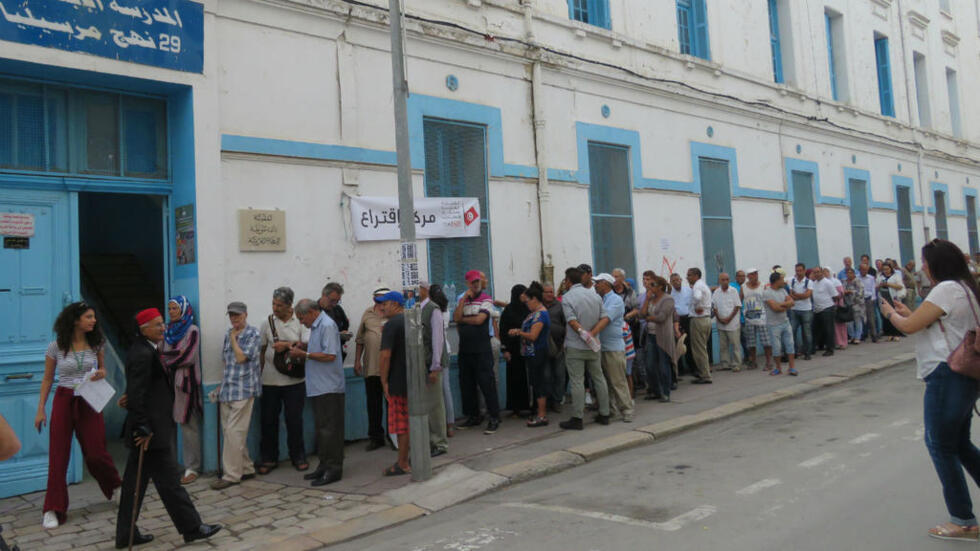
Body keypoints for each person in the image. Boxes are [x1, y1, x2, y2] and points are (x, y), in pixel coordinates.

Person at [879, 239, 980, 542]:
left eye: (925, 261)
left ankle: (963, 520)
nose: (922, 266)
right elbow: (932, 323)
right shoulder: (966, 288)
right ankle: (963, 516)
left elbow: (908, 327)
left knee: (939, 444)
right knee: (959, 443)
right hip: (965, 373)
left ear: (937, 263)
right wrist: (909, 311)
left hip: (945, 373)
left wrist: (889, 313)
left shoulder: (945, 289)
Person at [116, 308, 220, 548]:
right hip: (150, 432)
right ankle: (192, 528)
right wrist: (142, 426)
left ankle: (126, 534)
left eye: (163, 324)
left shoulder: (147, 349)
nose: (163, 328)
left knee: (135, 485)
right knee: (169, 483)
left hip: (150, 428)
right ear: (144, 329)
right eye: (157, 325)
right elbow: (138, 392)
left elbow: (136, 390)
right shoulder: (143, 353)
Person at [35, 302, 121, 529]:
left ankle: (115, 486)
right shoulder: (56, 347)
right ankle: (53, 508)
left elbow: (102, 371)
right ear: (75, 320)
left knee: (95, 452)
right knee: (58, 456)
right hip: (64, 399)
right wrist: (41, 408)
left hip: (89, 400)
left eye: (94, 317)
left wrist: (101, 373)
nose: (93, 321)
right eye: (89, 317)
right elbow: (47, 378)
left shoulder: (97, 343)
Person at [291, 298, 345, 486]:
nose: (301, 322)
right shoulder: (316, 327)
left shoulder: (327, 325)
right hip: (317, 386)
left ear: (312, 312)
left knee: (330, 430)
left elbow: (330, 355)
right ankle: (324, 465)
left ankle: (334, 468)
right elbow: (320, 349)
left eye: (301, 317)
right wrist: (305, 347)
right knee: (322, 430)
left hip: (329, 386)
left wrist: (304, 355)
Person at [257, 287, 309, 473]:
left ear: (289, 306)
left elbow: (306, 344)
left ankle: (298, 456)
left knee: (294, 420)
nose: (275, 308)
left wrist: (285, 345)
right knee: (268, 421)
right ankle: (269, 458)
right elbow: (262, 350)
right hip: (270, 381)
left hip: (295, 381)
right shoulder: (267, 322)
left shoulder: (300, 322)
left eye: (279, 305)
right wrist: (259, 376)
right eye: (273, 303)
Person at [210, 302, 261, 490]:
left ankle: (231, 475)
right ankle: (246, 468)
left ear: (245, 315)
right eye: (231, 316)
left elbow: (241, 358)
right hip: (228, 389)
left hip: (245, 389)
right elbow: (226, 361)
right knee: (230, 433)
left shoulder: (252, 334)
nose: (234, 319)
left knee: (234, 432)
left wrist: (234, 339)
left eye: (237, 316)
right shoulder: (227, 333)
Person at [559, 266, 611, 430]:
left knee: (577, 381)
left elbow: (572, 321)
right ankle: (604, 413)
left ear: (568, 281)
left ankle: (577, 417)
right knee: (599, 378)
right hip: (594, 344)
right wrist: (592, 335)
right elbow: (604, 318)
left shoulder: (567, 298)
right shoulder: (594, 296)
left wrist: (583, 334)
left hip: (576, 345)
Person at [159, 296, 204, 485]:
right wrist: (170, 357)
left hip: (186, 385)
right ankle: (171, 465)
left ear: (184, 310)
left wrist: (168, 358)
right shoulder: (167, 331)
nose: (171, 312)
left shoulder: (192, 330)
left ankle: (192, 466)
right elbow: (159, 354)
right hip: (168, 384)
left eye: (175, 309)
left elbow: (188, 357)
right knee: (168, 425)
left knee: (188, 425)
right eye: (169, 309)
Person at [454, 269, 501, 434]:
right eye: (473, 282)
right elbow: (456, 317)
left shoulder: (486, 299)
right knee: (467, 384)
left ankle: (494, 417)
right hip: (465, 349)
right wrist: (462, 303)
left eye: (477, 282)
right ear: (467, 283)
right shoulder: (462, 299)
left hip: (481, 349)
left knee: (486, 383)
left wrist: (464, 320)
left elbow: (480, 319)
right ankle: (473, 416)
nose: (476, 285)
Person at [509, 282, 551, 427]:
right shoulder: (534, 313)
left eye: (528, 301)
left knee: (539, 383)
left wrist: (518, 332)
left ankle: (541, 415)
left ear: (535, 299)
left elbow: (533, 336)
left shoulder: (540, 315)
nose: (526, 304)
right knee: (535, 382)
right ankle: (539, 413)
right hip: (531, 354)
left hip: (537, 352)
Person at [378, 291, 411, 475]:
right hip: (413, 380)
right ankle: (410, 458)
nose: (382, 308)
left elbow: (385, 355)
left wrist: (383, 380)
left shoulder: (392, 325)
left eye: (385, 304)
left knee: (401, 424)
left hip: (397, 381)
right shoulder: (411, 321)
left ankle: (403, 463)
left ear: (395, 304)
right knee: (412, 421)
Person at [354, 287, 390, 451]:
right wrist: (357, 361)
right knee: (373, 404)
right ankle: (376, 437)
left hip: (390, 368)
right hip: (371, 367)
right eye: (377, 300)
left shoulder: (395, 314)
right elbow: (360, 339)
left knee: (391, 403)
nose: (380, 305)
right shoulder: (367, 314)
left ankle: (394, 436)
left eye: (383, 301)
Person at [595, 273, 634, 423]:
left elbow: (604, 319)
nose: (596, 285)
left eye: (598, 282)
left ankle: (627, 409)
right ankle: (611, 409)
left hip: (613, 348)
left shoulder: (615, 300)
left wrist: (591, 333)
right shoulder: (601, 299)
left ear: (606, 283)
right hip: (602, 347)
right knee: (607, 382)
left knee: (618, 381)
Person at [420, 284, 450, 457]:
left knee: (434, 406)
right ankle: (430, 441)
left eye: (418, 288)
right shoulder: (417, 309)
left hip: (431, 365)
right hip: (422, 365)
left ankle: (439, 442)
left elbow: (437, 340)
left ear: (425, 290)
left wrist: (435, 367)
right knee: (426, 406)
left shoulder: (433, 310)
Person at [641, 275, 675, 402]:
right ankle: (656, 391)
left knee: (663, 365)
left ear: (660, 286)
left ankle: (666, 392)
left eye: (653, 285)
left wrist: (649, 318)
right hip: (650, 335)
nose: (650, 287)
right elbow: (642, 314)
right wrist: (646, 300)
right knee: (649, 365)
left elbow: (661, 317)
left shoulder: (668, 299)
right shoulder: (651, 299)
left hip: (663, 336)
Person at [500, 284, 531, 415]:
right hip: (512, 349)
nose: (525, 296)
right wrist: (505, 350)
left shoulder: (528, 308)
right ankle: (515, 407)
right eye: (523, 293)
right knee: (514, 377)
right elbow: (502, 331)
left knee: (527, 377)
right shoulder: (508, 310)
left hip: (527, 348)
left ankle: (527, 405)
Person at [764, 272, 798, 376]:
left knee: (790, 344)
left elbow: (792, 302)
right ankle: (778, 368)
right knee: (776, 347)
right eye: (782, 279)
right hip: (773, 324)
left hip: (785, 321)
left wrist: (781, 304)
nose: (784, 281)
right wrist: (785, 305)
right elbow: (775, 309)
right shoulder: (767, 293)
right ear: (776, 281)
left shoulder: (783, 290)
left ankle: (792, 367)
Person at [741, 268, 772, 370]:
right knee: (751, 342)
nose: (755, 276)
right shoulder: (743, 287)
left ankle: (768, 362)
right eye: (752, 274)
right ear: (748, 276)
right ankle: (753, 361)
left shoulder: (763, 286)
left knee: (766, 341)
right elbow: (739, 299)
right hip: (749, 318)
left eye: (756, 274)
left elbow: (768, 300)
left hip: (762, 317)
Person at [543, 283, 567, 413]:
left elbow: (567, 324)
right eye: (546, 292)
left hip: (559, 346)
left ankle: (557, 401)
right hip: (543, 347)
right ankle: (548, 401)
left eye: (551, 292)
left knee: (559, 375)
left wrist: (565, 343)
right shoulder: (539, 307)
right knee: (546, 375)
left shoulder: (560, 306)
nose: (549, 294)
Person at [686, 268, 713, 384]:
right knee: (702, 348)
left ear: (696, 276)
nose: (687, 278)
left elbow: (697, 297)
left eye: (689, 275)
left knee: (699, 349)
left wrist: (697, 306)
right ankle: (704, 372)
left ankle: (705, 375)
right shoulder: (703, 285)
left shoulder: (697, 286)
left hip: (699, 319)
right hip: (706, 318)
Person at [711, 272, 742, 372]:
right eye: (723, 280)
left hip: (733, 323)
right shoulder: (716, 292)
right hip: (721, 324)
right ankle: (725, 364)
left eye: (727, 279)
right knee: (723, 346)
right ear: (719, 281)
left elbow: (737, 306)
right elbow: (714, 307)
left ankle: (736, 364)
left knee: (735, 345)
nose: (725, 282)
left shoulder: (733, 291)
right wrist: (719, 319)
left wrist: (729, 318)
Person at [319, 282, 352, 359]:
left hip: (336, 353)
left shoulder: (338, 309)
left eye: (337, 301)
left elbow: (345, 325)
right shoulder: (313, 311)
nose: (334, 304)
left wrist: (344, 335)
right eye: (332, 300)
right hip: (319, 355)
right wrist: (336, 335)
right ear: (323, 295)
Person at [669, 273, 694, 375]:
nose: (676, 282)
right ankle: (680, 369)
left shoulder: (689, 290)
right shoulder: (670, 294)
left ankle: (692, 367)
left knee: (690, 344)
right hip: (677, 321)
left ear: (681, 280)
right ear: (671, 282)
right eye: (673, 281)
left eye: (677, 280)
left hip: (688, 319)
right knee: (678, 345)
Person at [788, 263, 813, 360]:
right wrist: (800, 296)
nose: (798, 272)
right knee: (792, 331)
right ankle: (794, 351)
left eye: (800, 270)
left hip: (806, 309)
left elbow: (807, 295)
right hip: (794, 309)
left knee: (806, 332)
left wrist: (796, 295)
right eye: (797, 270)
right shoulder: (791, 281)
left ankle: (807, 352)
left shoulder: (809, 282)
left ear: (804, 270)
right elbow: (790, 294)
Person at [811, 268, 838, 356]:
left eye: (818, 272)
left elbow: (835, 296)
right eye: (815, 273)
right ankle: (818, 346)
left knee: (828, 329)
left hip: (827, 308)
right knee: (816, 329)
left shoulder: (827, 283)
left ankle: (830, 348)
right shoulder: (813, 283)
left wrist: (831, 306)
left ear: (822, 272)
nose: (816, 274)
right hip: (817, 309)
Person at [878, 261, 906, 341]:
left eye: (887, 269)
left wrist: (888, 284)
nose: (886, 271)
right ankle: (889, 334)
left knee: (895, 316)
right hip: (884, 297)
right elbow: (877, 286)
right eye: (884, 269)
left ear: (891, 269)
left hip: (893, 297)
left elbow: (900, 286)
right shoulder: (880, 276)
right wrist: (880, 285)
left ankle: (896, 334)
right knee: (887, 317)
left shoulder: (896, 276)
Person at [826, 267, 848, 351]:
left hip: (838, 305)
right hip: (829, 305)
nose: (826, 273)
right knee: (834, 326)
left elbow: (841, 293)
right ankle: (837, 342)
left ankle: (843, 342)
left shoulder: (836, 281)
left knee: (841, 324)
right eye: (824, 271)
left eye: (827, 271)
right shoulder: (825, 282)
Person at [843, 267, 866, 345]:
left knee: (857, 321)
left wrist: (850, 291)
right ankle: (852, 336)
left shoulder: (857, 281)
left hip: (857, 304)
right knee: (849, 322)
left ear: (853, 273)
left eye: (850, 273)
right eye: (847, 273)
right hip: (847, 304)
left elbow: (861, 292)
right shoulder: (845, 282)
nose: (849, 274)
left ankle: (857, 337)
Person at [859, 262, 879, 342]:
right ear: (860, 270)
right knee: (861, 318)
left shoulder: (871, 278)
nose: (864, 271)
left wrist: (873, 298)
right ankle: (863, 334)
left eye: (866, 270)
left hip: (869, 299)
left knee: (871, 318)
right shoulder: (857, 278)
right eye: (863, 270)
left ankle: (874, 335)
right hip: (860, 299)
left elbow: (873, 288)